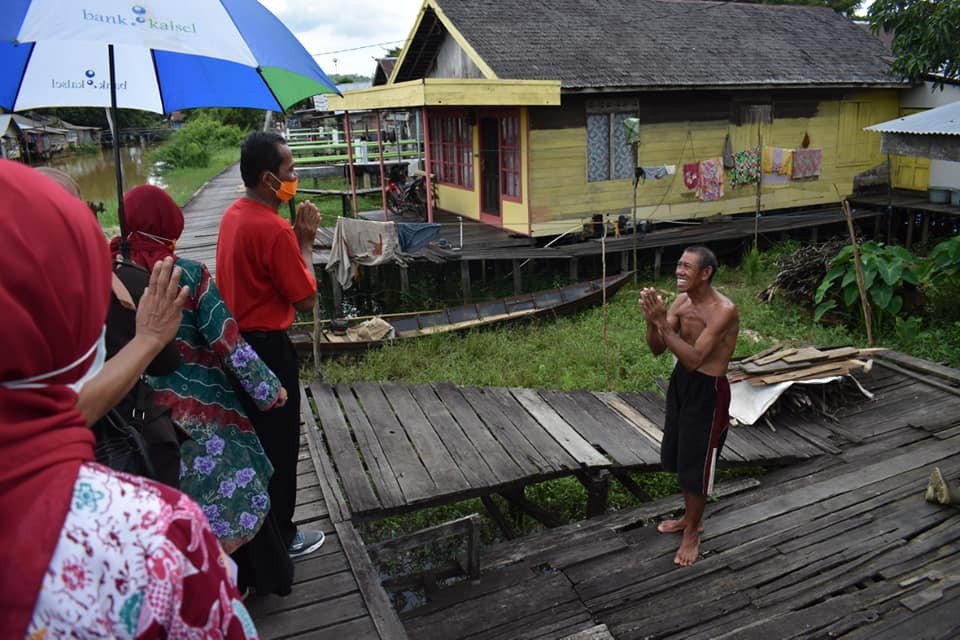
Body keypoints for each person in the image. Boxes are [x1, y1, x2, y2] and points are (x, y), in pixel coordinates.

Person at [0, 160, 257, 638]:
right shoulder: (153, 536)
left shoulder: (126, 273)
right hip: (144, 444)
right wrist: (146, 339)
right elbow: (208, 351)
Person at [114, 184, 294, 595]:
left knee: (178, 502)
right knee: (233, 487)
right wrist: (270, 390)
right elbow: (229, 343)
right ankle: (246, 583)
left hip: (142, 418)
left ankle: (195, 586)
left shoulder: (107, 280)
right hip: (208, 413)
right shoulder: (187, 275)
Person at [37, 166, 185, 487]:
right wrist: (148, 338)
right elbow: (166, 363)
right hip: (126, 447)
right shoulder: (121, 281)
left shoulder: (27, 292)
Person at [216, 131, 326, 560]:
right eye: (289, 171)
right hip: (269, 352)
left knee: (253, 442)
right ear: (267, 178)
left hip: (236, 348)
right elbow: (307, 297)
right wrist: (305, 243)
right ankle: (283, 533)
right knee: (280, 444)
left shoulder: (233, 216)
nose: (295, 178)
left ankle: (255, 534)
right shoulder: (276, 230)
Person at [639, 245, 739, 567]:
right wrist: (652, 322)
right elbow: (657, 349)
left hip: (708, 390)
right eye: (678, 265)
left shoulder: (723, 310)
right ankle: (688, 518)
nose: (679, 271)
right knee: (681, 455)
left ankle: (693, 531)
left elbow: (696, 359)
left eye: (687, 267)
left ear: (706, 273)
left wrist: (663, 325)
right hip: (681, 382)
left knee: (698, 462)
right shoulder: (682, 303)